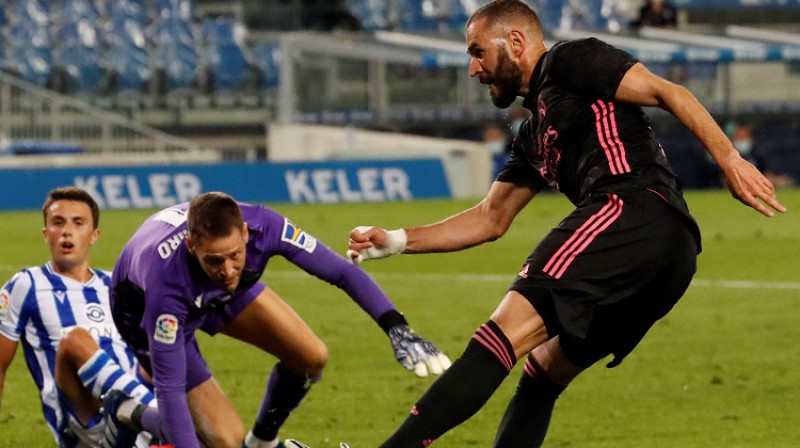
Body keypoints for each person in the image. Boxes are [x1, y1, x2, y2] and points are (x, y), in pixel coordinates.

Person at [346, 1, 786, 446]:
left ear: (515, 42)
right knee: (542, 369)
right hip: (669, 257)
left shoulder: (570, 61)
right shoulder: (531, 134)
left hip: (632, 210)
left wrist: (729, 158)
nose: (473, 69)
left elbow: (667, 92)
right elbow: (490, 218)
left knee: (500, 334)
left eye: (477, 52)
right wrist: (398, 240)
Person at [108, 191, 451, 448]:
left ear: (245, 233)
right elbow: (168, 387)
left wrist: (396, 326)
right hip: (145, 312)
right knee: (223, 440)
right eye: (215, 259)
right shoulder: (165, 287)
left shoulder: (266, 225)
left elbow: (341, 272)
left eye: (234, 255)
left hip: (216, 294)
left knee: (310, 357)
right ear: (191, 247)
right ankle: (127, 411)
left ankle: (262, 442)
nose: (227, 269)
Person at [0, 187, 158, 446]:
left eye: (78, 223)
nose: (66, 231)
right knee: (76, 341)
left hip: (133, 410)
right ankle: (163, 421)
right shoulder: (26, 285)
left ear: (94, 235)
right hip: (84, 421)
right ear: (45, 233)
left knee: (165, 348)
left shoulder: (116, 284)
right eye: (58, 223)